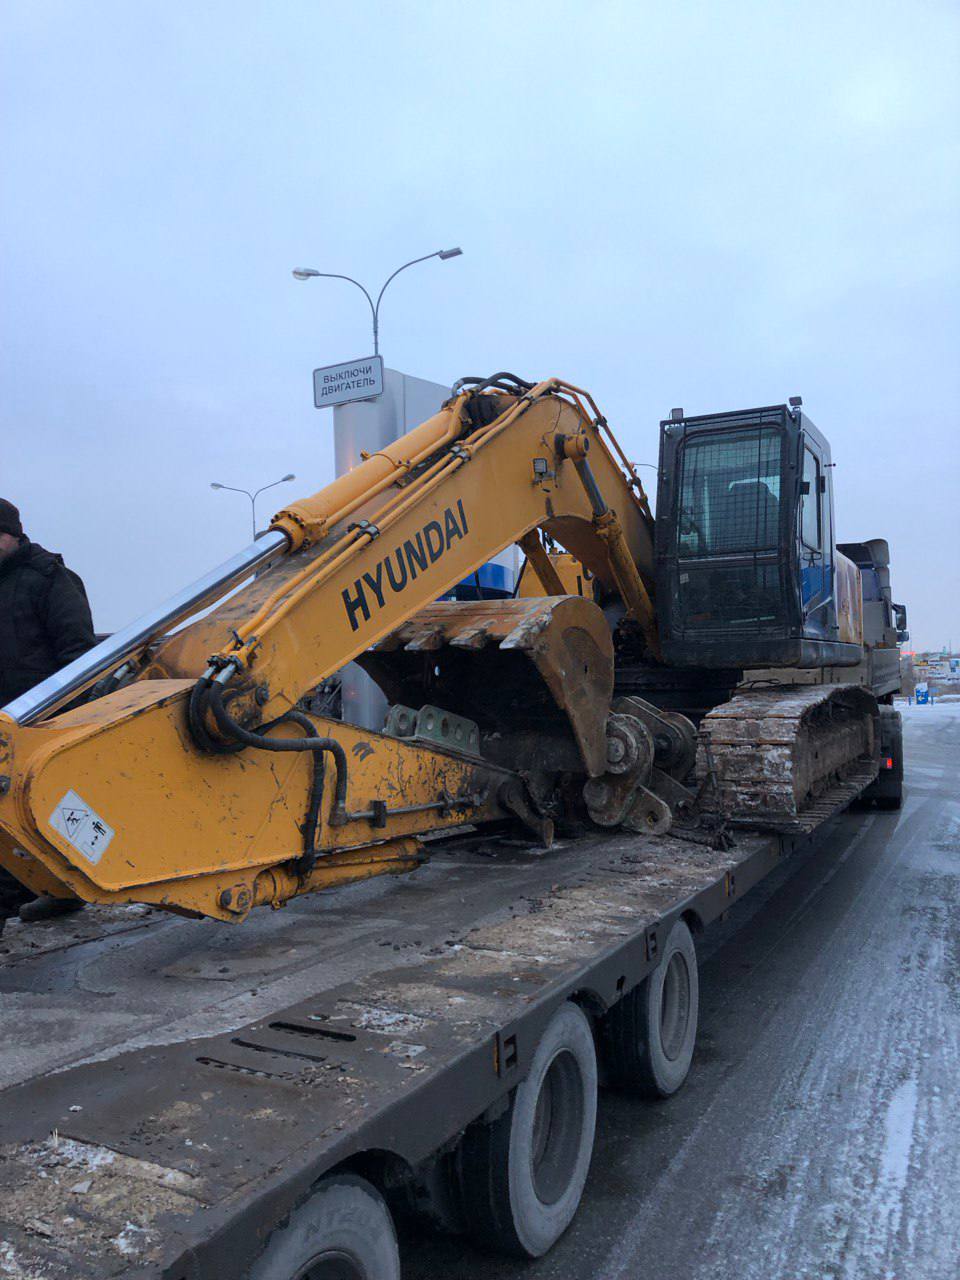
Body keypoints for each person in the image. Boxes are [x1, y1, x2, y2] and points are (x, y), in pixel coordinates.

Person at [0, 498, 95, 921]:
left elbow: (78, 655)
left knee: (53, 808)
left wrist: (65, 716)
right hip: (4, 720)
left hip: (44, 718)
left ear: (13, 535)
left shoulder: (49, 579)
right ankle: (46, 887)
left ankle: (63, 887)